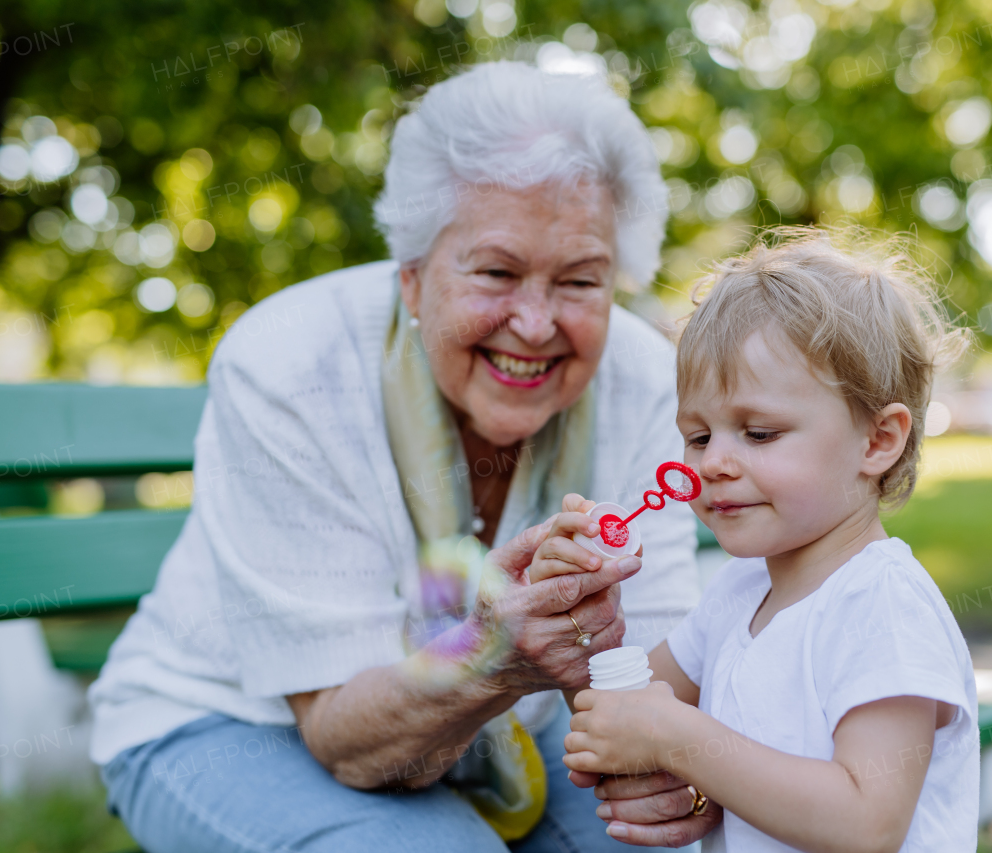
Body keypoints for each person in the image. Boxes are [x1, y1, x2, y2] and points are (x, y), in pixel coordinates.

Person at [86, 61, 716, 852]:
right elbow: (348, 739)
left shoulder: (646, 378)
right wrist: (495, 662)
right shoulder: (288, 366)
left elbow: (652, 660)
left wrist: (681, 769)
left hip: (518, 722)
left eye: (580, 280)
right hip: (236, 718)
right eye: (496, 271)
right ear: (413, 277)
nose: (533, 322)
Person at [559, 229, 980, 851]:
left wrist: (677, 738)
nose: (714, 463)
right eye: (698, 437)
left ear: (878, 441)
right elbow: (620, 713)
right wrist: (582, 620)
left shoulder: (882, 608)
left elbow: (868, 822)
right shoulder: (741, 590)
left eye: (758, 434)